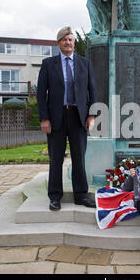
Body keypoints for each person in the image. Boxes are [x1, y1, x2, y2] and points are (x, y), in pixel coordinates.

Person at [37, 26, 98, 211]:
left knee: (79, 157)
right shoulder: (48, 64)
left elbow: (92, 90)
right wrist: (44, 119)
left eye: (70, 39)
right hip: (56, 117)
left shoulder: (84, 63)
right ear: (58, 43)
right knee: (56, 158)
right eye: (64, 40)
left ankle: (81, 195)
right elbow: (41, 93)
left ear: (74, 42)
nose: (68, 42)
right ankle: (55, 196)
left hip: (78, 117)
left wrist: (92, 115)